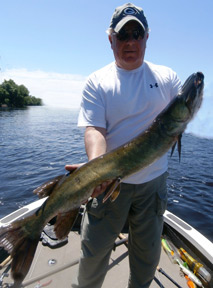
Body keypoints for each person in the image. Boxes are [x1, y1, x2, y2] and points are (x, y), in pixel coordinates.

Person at [66, 3, 181, 288]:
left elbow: (182, 120)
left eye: (137, 34)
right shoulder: (97, 81)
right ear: (110, 39)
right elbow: (94, 129)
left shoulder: (167, 79)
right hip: (108, 188)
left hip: (152, 185)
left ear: (146, 38)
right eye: (123, 34)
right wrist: (96, 168)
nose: (130, 41)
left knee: (146, 259)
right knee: (93, 257)